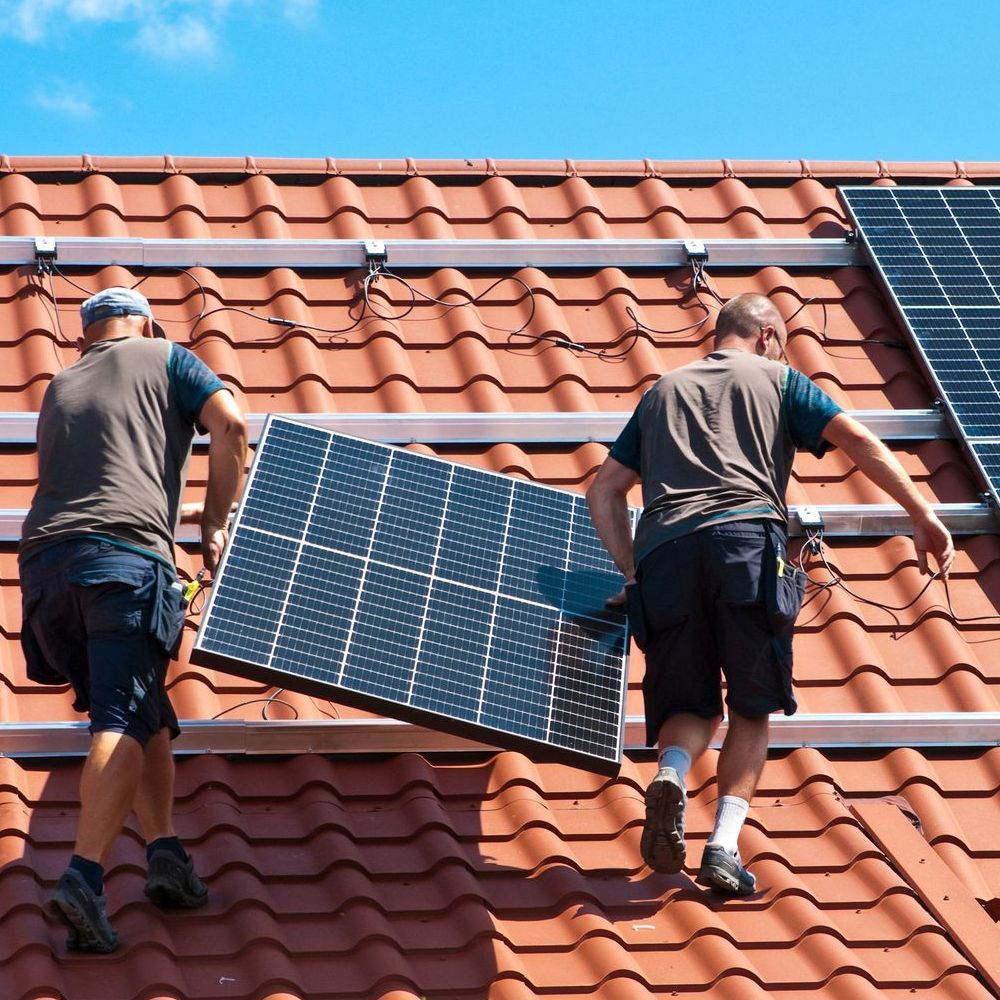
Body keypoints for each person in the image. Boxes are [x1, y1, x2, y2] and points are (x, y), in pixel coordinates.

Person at [586, 292, 954, 896]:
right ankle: (724, 847)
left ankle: (673, 775)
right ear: (765, 336)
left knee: (690, 703)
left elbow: (604, 493)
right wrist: (921, 512)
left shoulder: (660, 393)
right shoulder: (780, 379)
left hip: (665, 556)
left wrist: (634, 576)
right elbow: (857, 440)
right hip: (745, 546)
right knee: (752, 706)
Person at [19, 287, 248, 952]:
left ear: (84, 338)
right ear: (146, 323)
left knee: (144, 708)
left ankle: (166, 855)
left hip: (45, 577)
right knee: (120, 718)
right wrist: (212, 523)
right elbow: (232, 426)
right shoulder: (168, 356)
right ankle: (85, 879)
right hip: (122, 563)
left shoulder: (62, 382)